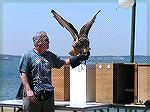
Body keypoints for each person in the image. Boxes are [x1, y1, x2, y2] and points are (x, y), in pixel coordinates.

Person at [18, 31, 89, 112]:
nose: (49, 42)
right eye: (46, 40)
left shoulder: (49, 55)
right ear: (38, 42)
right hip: (33, 95)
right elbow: (22, 73)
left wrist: (80, 58)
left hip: (48, 95)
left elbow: (64, 62)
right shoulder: (28, 55)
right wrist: (28, 90)